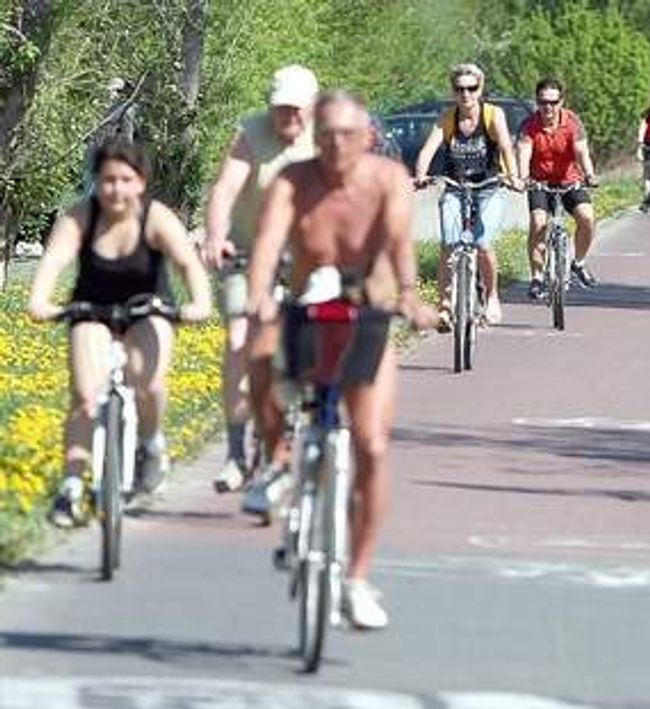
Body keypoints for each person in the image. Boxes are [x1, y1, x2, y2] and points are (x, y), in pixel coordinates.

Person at [246, 90, 435, 629]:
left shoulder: (386, 180)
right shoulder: (294, 181)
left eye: (346, 136)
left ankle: (356, 578)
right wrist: (260, 294)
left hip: (367, 313)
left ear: (368, 138)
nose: (334, 146)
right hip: (308, 309)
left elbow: (399, 244)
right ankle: (278, 460)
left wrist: (409, 295)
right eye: (324, 135)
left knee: (371, 443)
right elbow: (267, 245)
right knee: (258, 352)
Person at [28, 139, 212, 527]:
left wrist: (198, 303)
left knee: (149, 384)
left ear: (141, 183)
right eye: (108, 180)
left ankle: (151, 444)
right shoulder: (81, 216)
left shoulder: (156, 217)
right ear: (98, 182)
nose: (116, 189)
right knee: (84, 396)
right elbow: (55, 259)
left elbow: (188, 264)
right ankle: (71, 488)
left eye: (126, 180)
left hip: (148, 308)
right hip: (91, 310)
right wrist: (40, 301)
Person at [200, 65, 319, 500]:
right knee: (238, 339)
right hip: (249, 253)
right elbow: (225, 190)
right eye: (280, 109)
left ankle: (301, 422)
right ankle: (234, 452)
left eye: (295, 109)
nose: (287, 117)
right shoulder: (251, 133)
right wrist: (215, 236)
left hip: (306, 256)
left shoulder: (325, 138)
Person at [413, 63, 522, 330]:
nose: (466, 94)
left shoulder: (492, 115)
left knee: (483, 242)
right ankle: (445, 307)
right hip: (455, 186)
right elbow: (428, 149)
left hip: (488, 187)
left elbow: (507, 148)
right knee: (449, 243)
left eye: (471, 88)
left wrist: (514, 176)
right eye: (459, 89)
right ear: (453, 91)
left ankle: (492, 296)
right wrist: (420, 175)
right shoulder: (447, 118)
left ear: (480, 88)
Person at [517, 76, 601, 299]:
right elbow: (523, 153)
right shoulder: (529, 125)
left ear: (561, 102)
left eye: (553, 102)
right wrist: (522, 178)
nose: (548, 107)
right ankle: (536, 277)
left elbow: (582, 152)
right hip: (539, 182)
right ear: (537, 102)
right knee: (538, 223)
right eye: (543, 102)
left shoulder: (572, 122)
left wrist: (589, 174)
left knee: (587, 218)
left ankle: (579, 263)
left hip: (569, 180)